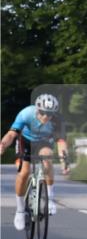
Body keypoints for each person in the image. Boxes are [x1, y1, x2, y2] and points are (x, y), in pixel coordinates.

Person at [0, 94, 69, 230]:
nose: (45, 117)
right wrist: (2, 144)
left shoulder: (57, 120)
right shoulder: (26, 114)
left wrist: (64, 160)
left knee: (47, 158)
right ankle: (20, 210)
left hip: (44, 142)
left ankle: (50, 198)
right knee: (24, 171)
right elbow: (12, 134)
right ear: (37, 109)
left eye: (49, 114)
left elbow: (61, 142)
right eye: (42, 113)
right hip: (25, 141)